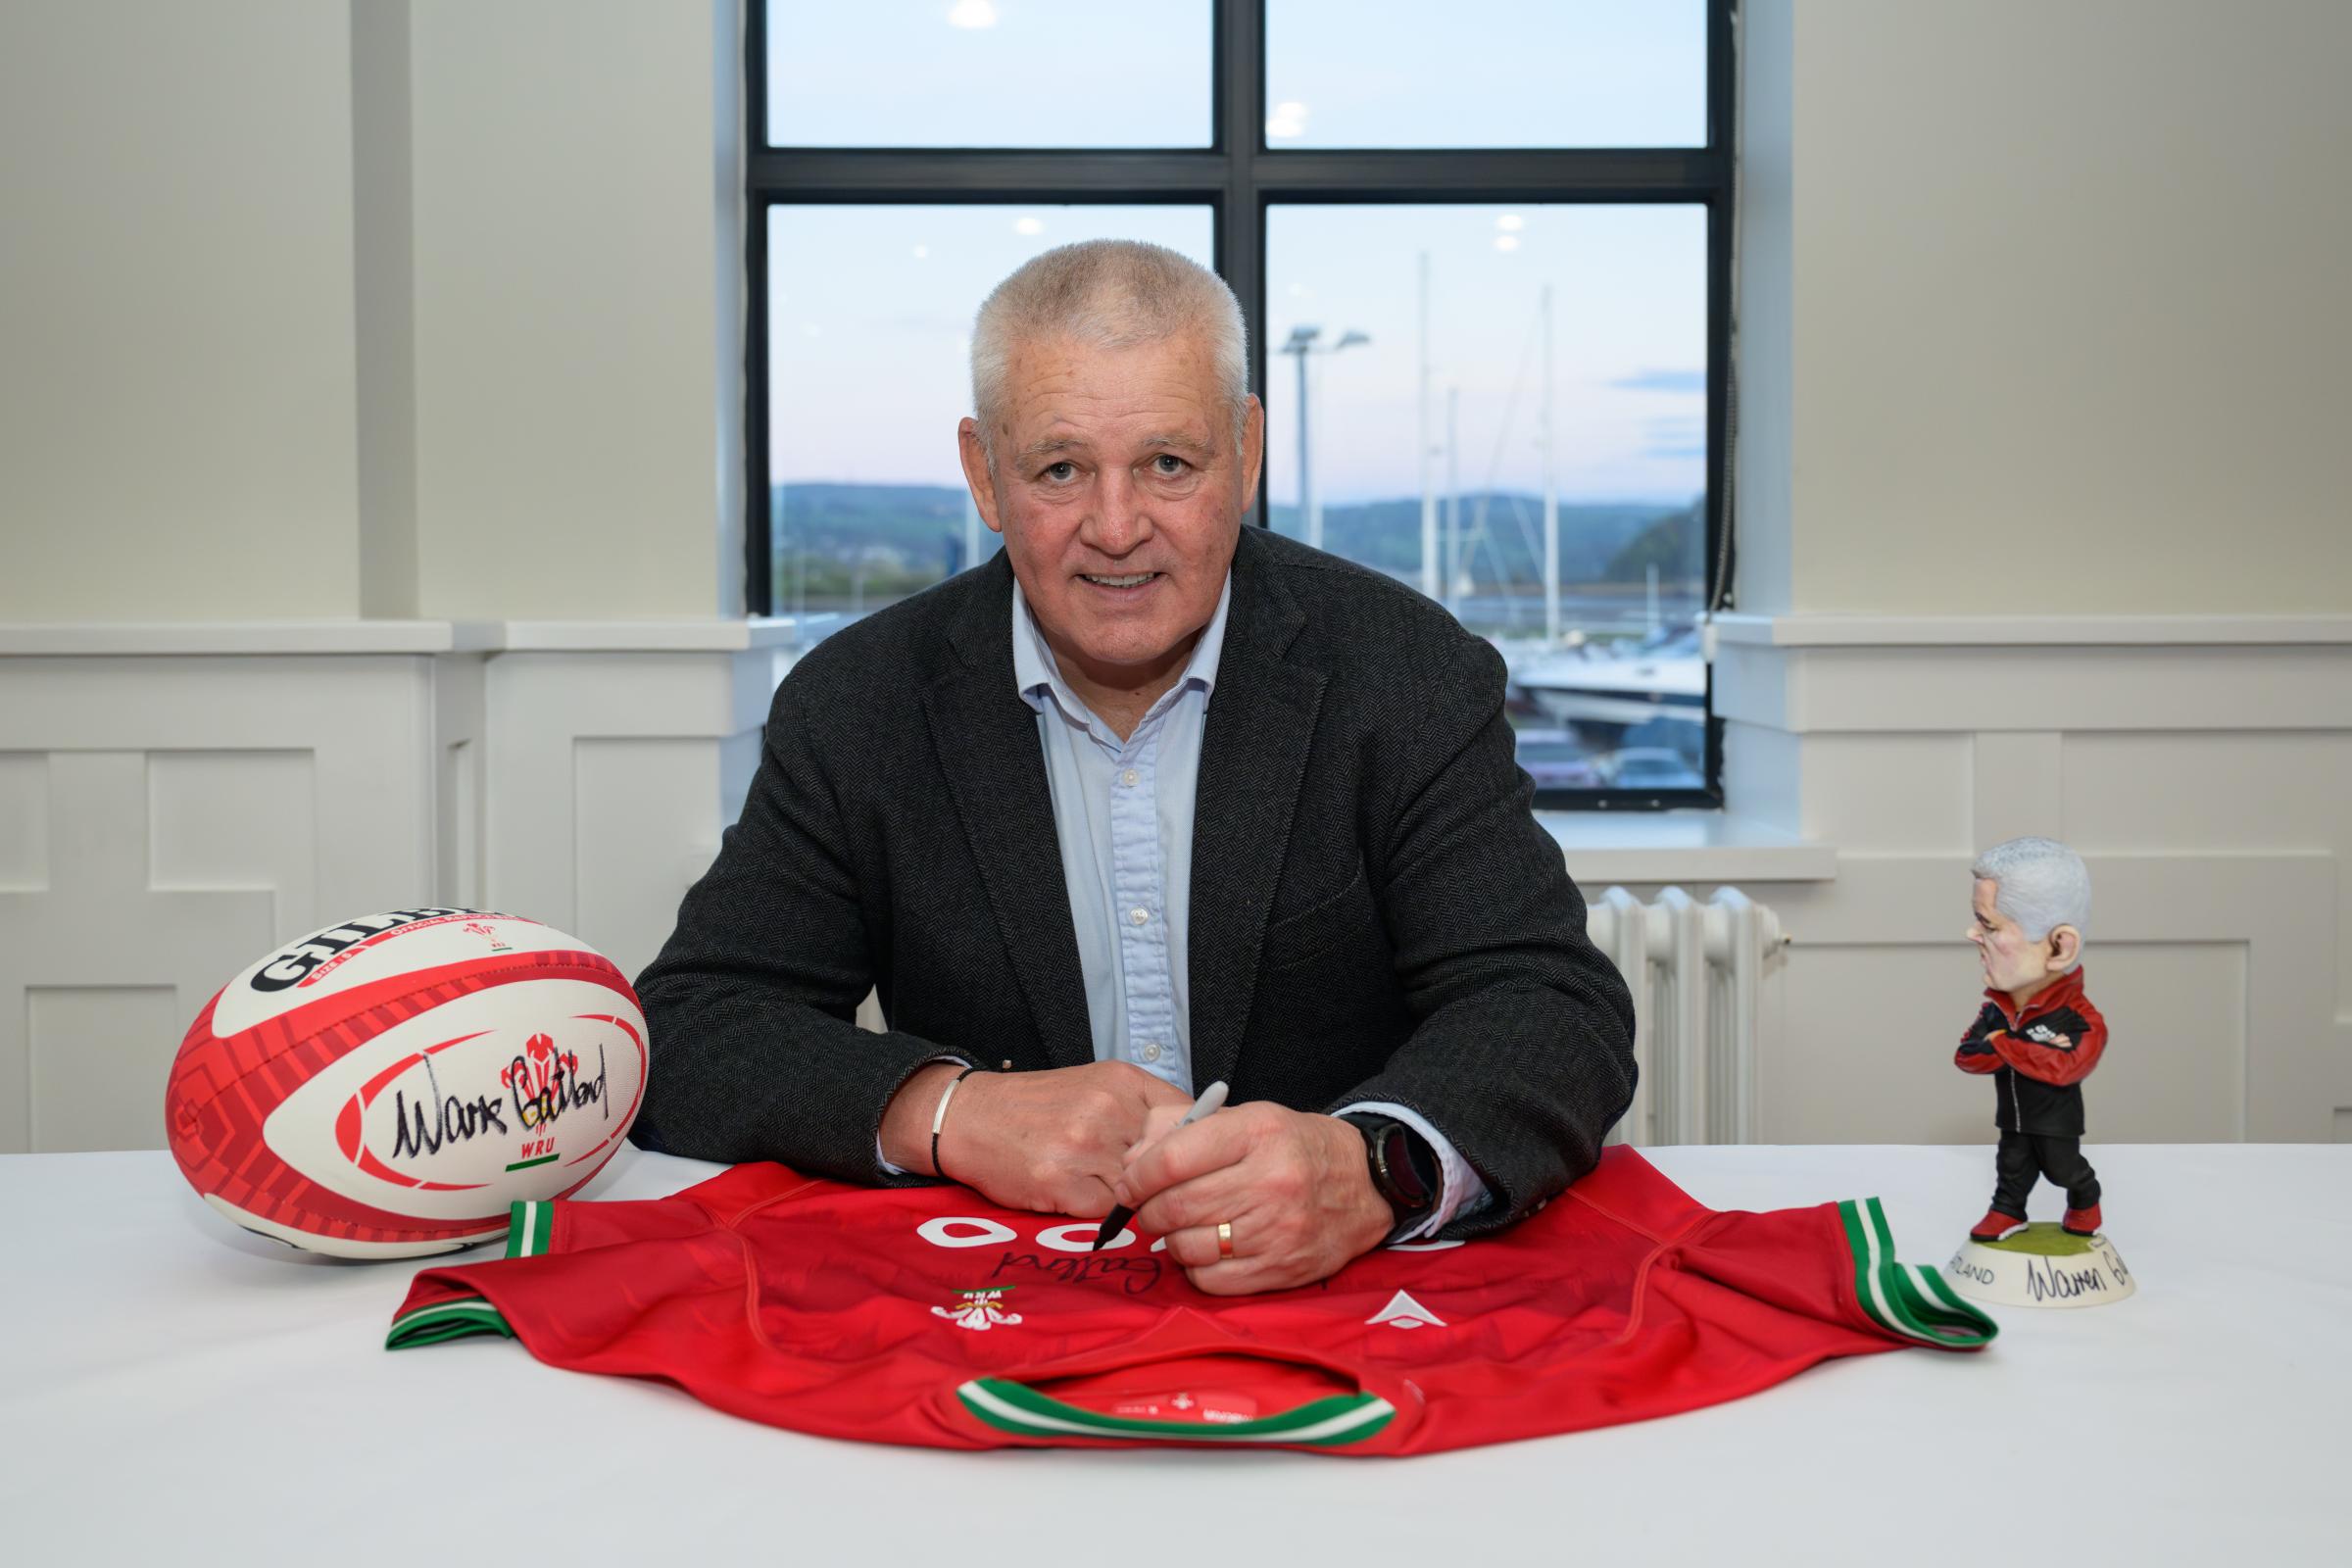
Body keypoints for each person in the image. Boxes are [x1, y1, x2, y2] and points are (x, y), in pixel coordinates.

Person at [631, 239, 1636, 1296]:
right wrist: (949, 1111)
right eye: (1061, 469)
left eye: (1169, 463)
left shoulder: (1406, 671)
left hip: (1348, 1301)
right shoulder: (859, 704)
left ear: (1244, 454)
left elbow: (1552, 1004)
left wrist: (1369, 1166)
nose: (1117, 531)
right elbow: (697, 1024)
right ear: (984, 473)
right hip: (997, 1307)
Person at [1955, 836, 2109, 1242]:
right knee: (2011, 1165)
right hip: (2012, 1118)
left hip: (2056, 1124)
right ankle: (2007, 1211)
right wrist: (2022, 1046)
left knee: (2063, 1168)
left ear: (2059, 947)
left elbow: (2064, 1069)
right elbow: (1967, 1056)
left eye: (1988, 923)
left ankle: (2085, 1198)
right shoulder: (1995, 1010)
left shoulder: (2081, 1019)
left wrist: (2003, 1044)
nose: (1972, 933)